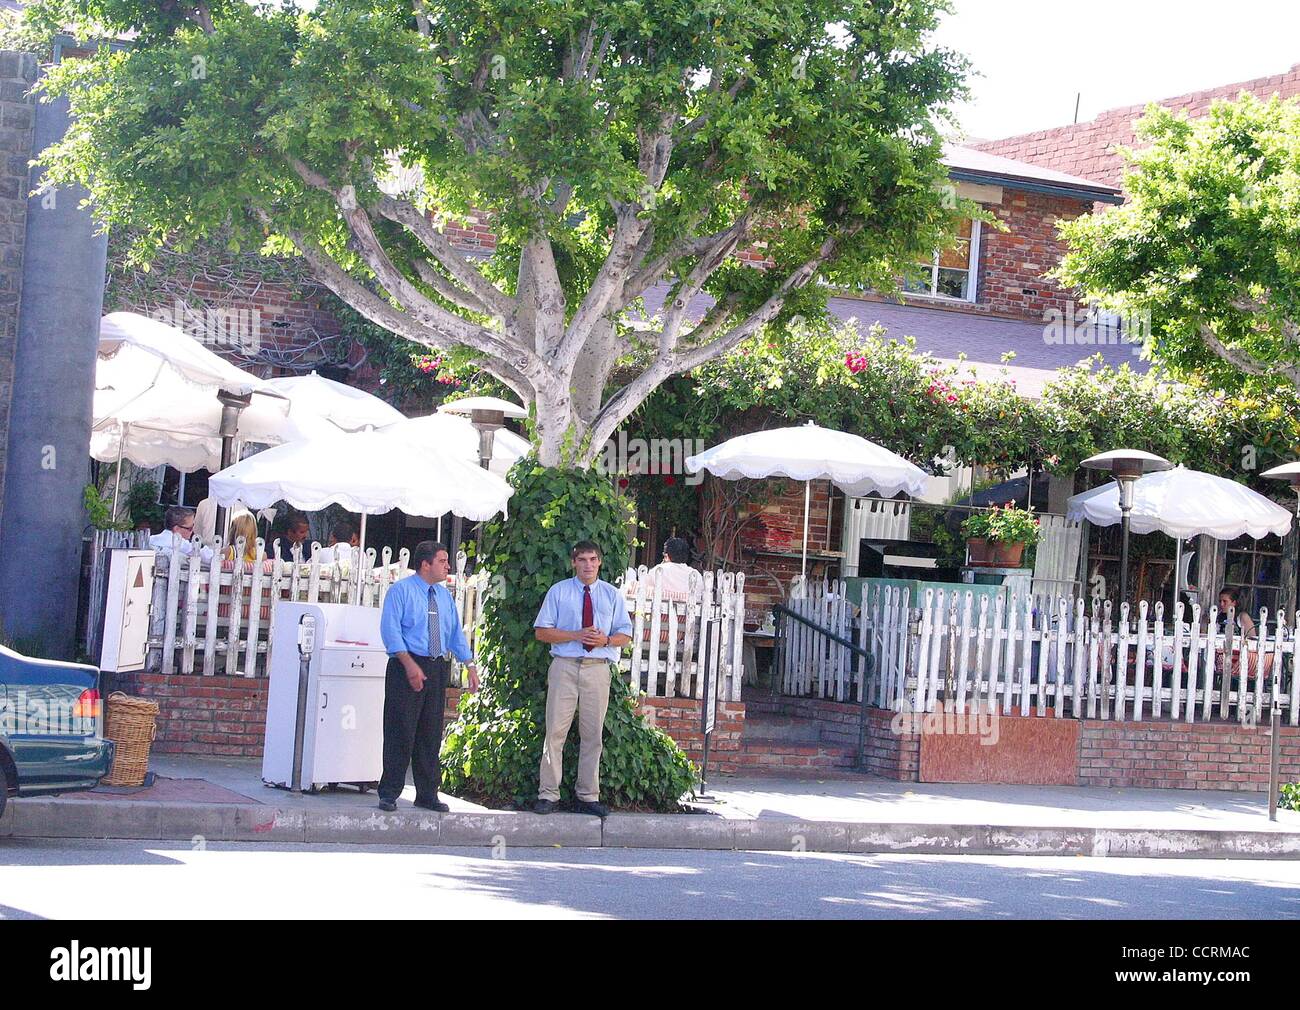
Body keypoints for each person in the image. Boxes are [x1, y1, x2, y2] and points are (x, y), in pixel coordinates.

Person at [532, 540, 633, 818]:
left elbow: (625, 634)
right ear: (573, 563)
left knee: (592, 735)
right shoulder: (559, 591)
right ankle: (548, 794)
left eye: (592, 559)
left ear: (599, 562)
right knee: (555, 732)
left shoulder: (612, 595)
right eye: (582, 560)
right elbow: (542, 632)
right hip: (565, 665)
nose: (588, 565)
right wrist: (575, 634)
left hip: (597, 667)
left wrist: (606, 640)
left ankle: (587, 795)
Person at [377, 541, 478, 813]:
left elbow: (455, 633)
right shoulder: (401, 592)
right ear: (426, 564)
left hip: (435, 666)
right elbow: (390, 630)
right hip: (406, 664)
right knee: (400, 730)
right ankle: (389, 792)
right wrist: (409, 665)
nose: (448, 566)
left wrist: (469, 664)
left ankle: (427, 793)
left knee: (430, 732)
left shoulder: (443, 597)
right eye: (443, 561)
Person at [148, 505, 214, 565]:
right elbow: (206, 556)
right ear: (176, 528)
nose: (192, 531)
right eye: (189, 528)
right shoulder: (180, 543)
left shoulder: (151, 539)